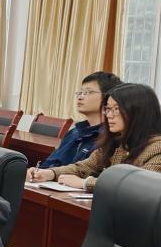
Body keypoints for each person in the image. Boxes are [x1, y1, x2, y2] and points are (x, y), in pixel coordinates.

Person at [28, 82, 161, 191]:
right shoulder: (117, 141)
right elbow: (84, 167)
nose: (109, 115)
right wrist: (50, 173)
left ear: (139, 113)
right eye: (108, 109)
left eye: (116, 109)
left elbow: (139, 187)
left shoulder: (157, 148)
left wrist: (86, 183)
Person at [36, 71, 121, 169]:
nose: (80, 97)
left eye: (88, 92)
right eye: (80, 92)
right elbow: (50, 162)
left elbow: (86, 172)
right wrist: (37, 171)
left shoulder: (109, 137)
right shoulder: (74, 132)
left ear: (108, 97)